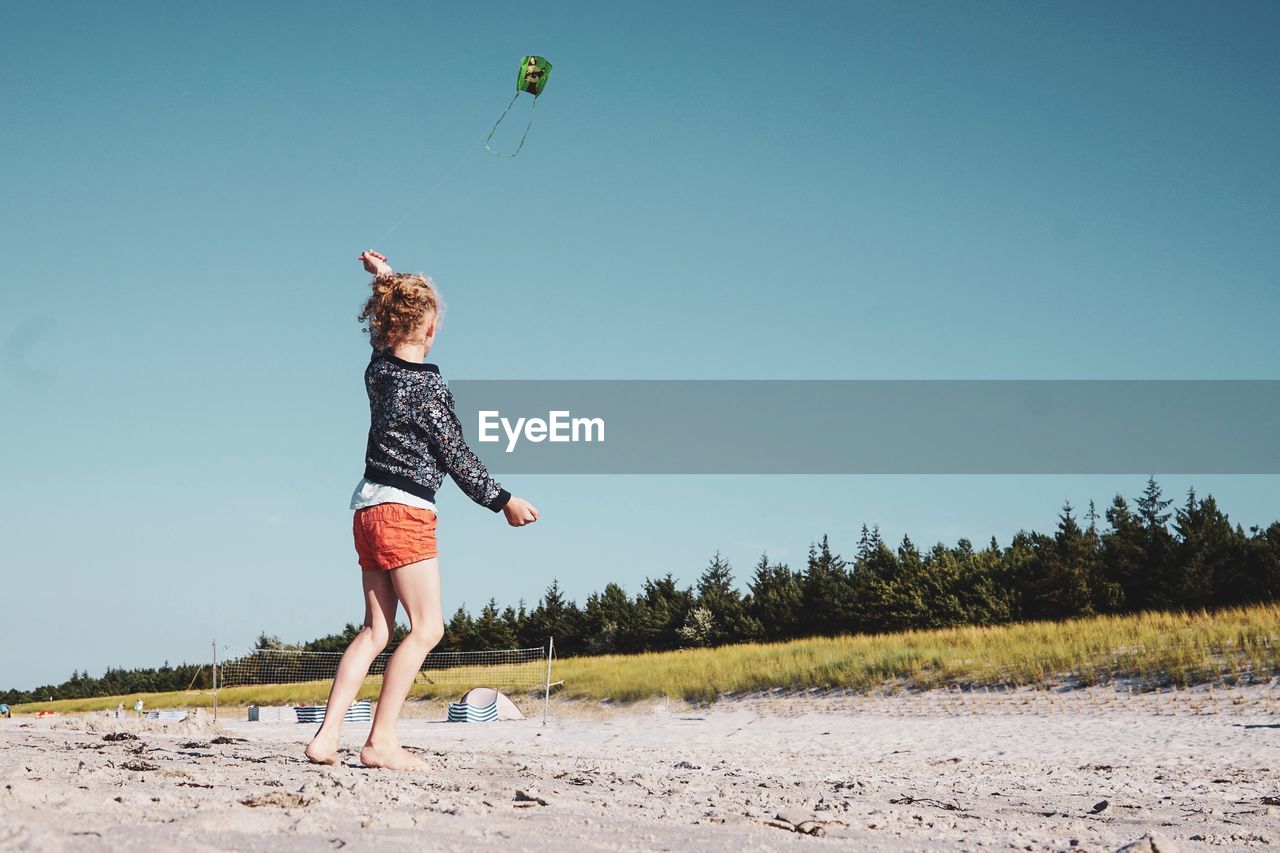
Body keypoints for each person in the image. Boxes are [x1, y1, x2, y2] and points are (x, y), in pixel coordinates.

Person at [304, 250, 538, 771]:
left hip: (365, 507)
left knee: (376, 632)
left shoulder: (379, 373)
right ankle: (380, 741)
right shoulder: (428, 387)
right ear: (430, 329)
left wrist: (385, 279)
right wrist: (504, 502)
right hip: (403, 511)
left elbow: (384, 334)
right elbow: (458, 457)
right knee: (428, 628)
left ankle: (327, 736)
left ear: (388, 323)